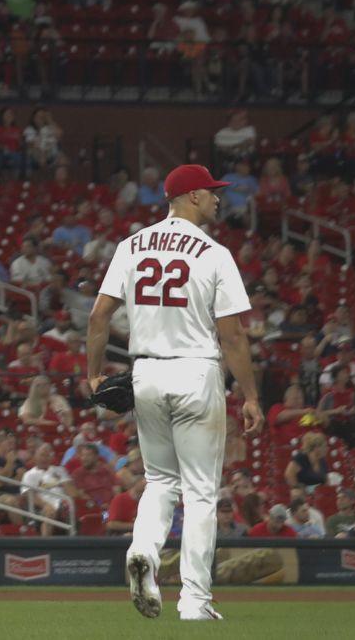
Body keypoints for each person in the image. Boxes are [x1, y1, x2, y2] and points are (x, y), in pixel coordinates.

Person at [86, 164, 261, 624]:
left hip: (145, 373)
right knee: (201, 492)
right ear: (192, 197)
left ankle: (142, 550)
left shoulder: (131, 245)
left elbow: (99, 316)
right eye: (211, 191)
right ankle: (194, 601)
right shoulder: (215, 253)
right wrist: (251, 395)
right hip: (196, 372)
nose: (218, 198)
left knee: (161, 481)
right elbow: (234, 337)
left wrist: (91, 375)